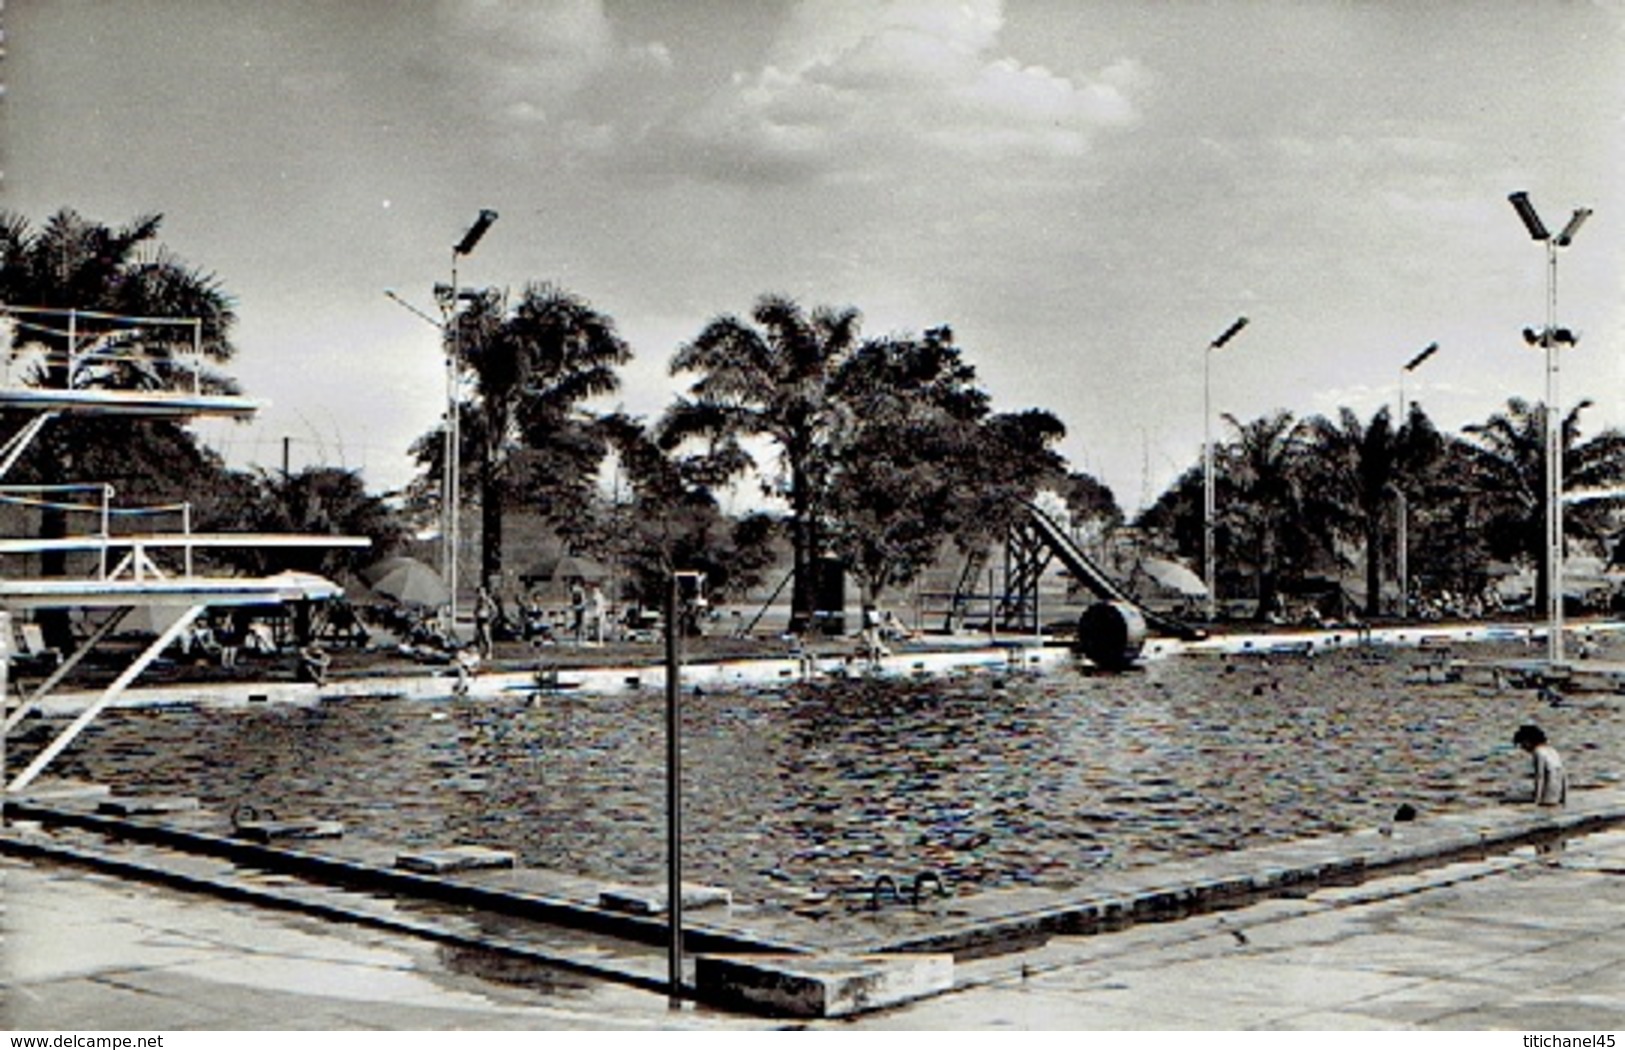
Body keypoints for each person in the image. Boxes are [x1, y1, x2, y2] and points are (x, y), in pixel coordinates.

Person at [1512, 724, 1567, 807]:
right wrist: (1564, 799)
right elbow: (1563, 775)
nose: (1523, 748)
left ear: (1527, 742)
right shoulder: (1553, 751)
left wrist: (1536, 800)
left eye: (1522, 745)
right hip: (1556, 795)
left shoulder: (1538, 752)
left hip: (1546, 798)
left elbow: (1540, 777)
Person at [474, 584, 498, 660]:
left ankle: (489, 652)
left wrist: (490, 619)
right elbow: (476, 609)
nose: (480, 594)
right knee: (478, 636)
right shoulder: (479, 600)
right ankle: (480, 652)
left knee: (486, 636)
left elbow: (495, 610)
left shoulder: (487, 600)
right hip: (479, 619)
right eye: (479, 592)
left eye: (481, 592)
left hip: (485, 619)